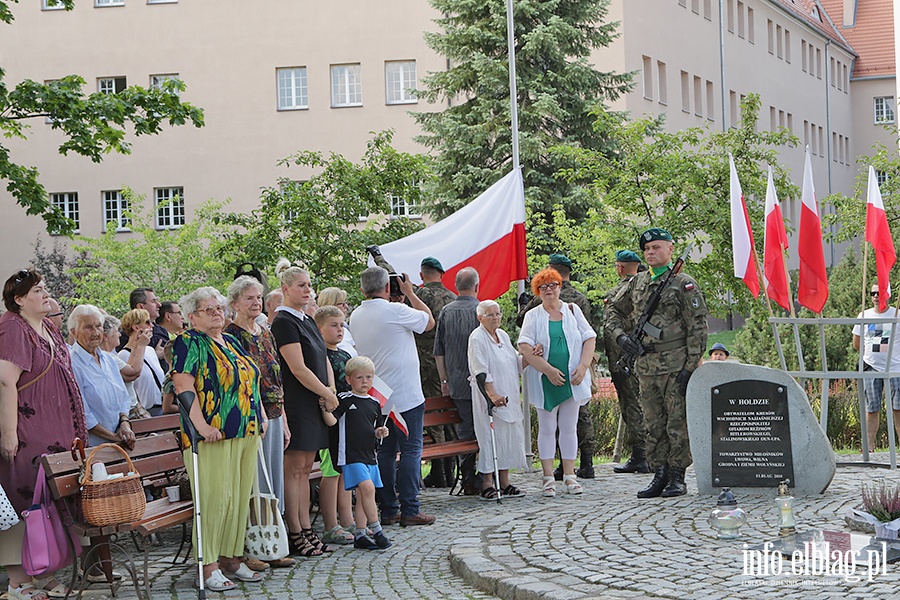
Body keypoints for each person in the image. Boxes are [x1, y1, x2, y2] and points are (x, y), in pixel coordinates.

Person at [171, 286, 267, 591]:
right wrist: (200, 426)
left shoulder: (231, 342)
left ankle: (231, 558)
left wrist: (260, 415)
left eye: (219, 308)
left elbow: (249, 380)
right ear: (192, 316)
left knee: (238, 500)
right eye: (208, 309)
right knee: (214, 500)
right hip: (210, 436)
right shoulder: (187, 342)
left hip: (244, 431)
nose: (217, 313)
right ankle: (208, 564)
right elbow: (184, 388)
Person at [0, 269, 88, 600]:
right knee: (24, 501)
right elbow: (6, 380)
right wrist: (9, 433)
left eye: (44, 288)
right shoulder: (11, 326)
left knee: (50, 504)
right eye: (37, 290)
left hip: (56, 434)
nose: (45, 293)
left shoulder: (47, 326)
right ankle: (18, 581)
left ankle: (43, 571)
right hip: (26, 434)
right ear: (19, 299)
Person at [607, 228, 708, 499]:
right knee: (653, 423)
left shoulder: (683, 283)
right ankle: (659, 473)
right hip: (646, 365)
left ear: (670, 249)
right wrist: (621, 338)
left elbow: (697, 327)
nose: (651, 253)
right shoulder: (637, 282)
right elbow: (613, 311)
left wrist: (690, 367)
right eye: (647, 249)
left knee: (677, 423)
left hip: (675, 366)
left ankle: (677, 476)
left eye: (657, 248)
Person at [350, 266, 436, 527]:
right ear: (388, 288)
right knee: (411, 450)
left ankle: (389, 508)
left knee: (386, 452)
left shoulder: (355, 315)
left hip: (376, 393)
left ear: (363, 289)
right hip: (406, 393)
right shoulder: (397, 310)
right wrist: (410, 293)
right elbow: (429, 321)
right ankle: (410, 508)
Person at [369, 248, 457, 489]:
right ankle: (450, 471)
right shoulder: (452, 297)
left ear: (422, 274)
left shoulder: (419, 295)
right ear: (441, 273)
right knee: (448, 420)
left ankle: (439, 472)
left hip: (422, 363)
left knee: (432, 420)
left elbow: (391, 277)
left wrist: (378, 257)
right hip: (447, 362)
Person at [224, 276, 296, 569]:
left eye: (258, 297)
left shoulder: (265, 332)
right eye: (249, 298)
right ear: (235, 303)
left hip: (275, 414)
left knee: (273, 481)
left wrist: (285, 418)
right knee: (254, 482)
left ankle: (273, 544)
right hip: (250, 417)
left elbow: (276, 378)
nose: (255, 302)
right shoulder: (230, 336)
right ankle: (250, 548)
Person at [269, 259, 338, 556]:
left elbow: (322, 357)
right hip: (298, 402)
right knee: (294, 469)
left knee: (306, 467)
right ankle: (294, 529)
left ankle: (306, 527)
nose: (308, 290)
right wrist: (325, 392)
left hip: (315, 400)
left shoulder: (307, 319)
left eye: (309, 285)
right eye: (301, 285)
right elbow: (297, 368)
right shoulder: (283, 322)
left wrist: (330, 390)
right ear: (286, 289)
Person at [517, 268, 596, 497]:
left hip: (572, 378)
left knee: (570, 427)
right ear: (538, 291)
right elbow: (524, 346)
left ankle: (570, 475)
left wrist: (582, 366)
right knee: (548, 428)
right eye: (544, 287)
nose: (549, 290)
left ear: (560, 287)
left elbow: (589, 338)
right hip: (546, 379)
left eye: (553, 285)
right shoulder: (533, 315)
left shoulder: (573, 310)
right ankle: (548, 477)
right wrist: (548, 370)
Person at [319, 356, 392, 550]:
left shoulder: (374, 403)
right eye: (359, 378)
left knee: (365, 494)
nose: (365, 382)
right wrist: (324, 409)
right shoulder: (344, 399)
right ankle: (377, 530)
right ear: (349, 379)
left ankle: (360, 533)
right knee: (367, 488)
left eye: (369, 377)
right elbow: (333, 422)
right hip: (350, 455)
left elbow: (374, 428)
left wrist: (380, 432)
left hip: (370, 454)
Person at [467, 300, 527, 500]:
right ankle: (487, 483)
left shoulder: (502, 335)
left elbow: (514, 362)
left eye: (497, 314)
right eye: (490, 315)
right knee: (490, 438)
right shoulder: (477, 338)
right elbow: (480, 370)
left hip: (509, 392)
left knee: (508, 438)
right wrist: (492, 395)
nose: (495, 318)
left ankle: (505, 481)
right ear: (480, 317)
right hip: (488, 397)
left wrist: (529, 356)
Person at [434, 267, 481, 492]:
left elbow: (439, 351)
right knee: (482, 429)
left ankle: (469, 478)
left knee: (465, 431)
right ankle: (483, 478)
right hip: (483, 383)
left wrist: (444, 381)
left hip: (457, 382)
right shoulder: (483, 311)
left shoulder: (446, 312)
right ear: (477, 286)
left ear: (456, 286)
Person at [313, 306, 356, 546]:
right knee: (330, 472)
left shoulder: (344, 356)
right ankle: (330, 525)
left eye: (342, 325)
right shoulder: (320, 356)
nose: (339, 330)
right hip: (329, 421)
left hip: (346, 419)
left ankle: (347, 519)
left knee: (344, 471)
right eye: (333, 325)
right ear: (319, 329)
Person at [604, 250, 649, 475]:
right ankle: (645, 454)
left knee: (632, 406)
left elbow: (610, 326)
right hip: (645, 357)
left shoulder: (618, 292)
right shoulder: (650, 288)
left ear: (620, 268)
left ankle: (642, 455)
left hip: (625, 358)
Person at [69, 305, 136, 449]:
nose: (96, 332)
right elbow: (82, 415)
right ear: (74, 333)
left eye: (98, 326)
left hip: (118, 444)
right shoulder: (72, 365)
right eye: (88, 327)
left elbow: (124, 397)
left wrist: (124, 423)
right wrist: (113, 438)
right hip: (93, 447)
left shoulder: (109, 359)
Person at [853, 284, 900, 453]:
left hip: (895, 368)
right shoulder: (864, 315)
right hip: (871, 367)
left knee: (898, 408)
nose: (875, 296)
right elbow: (856, 343)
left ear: (886, 294)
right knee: (871, 407)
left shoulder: (897, 314)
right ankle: (869, 447)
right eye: (872, 293)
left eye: (879, 293)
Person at [101, 314, 150, 419]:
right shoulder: (108, 357)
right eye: (116, 331)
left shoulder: (110, 356)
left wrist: (135, 345)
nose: (119, 334)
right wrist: (142, 346)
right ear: (106, 336)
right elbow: (134, 372)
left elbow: (129, 369)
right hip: (128, 410)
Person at [119, 309, 165, 416]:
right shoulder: (123, 355)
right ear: (136, 327)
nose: (152, 326)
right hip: (144, 411)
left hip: (162, 406)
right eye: (147, 322)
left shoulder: (150, 350)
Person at [317, 287, 356, 355]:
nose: (346, 306)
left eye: (346, 302)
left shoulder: (345, 330)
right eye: (341, 303)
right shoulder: (322, 332)